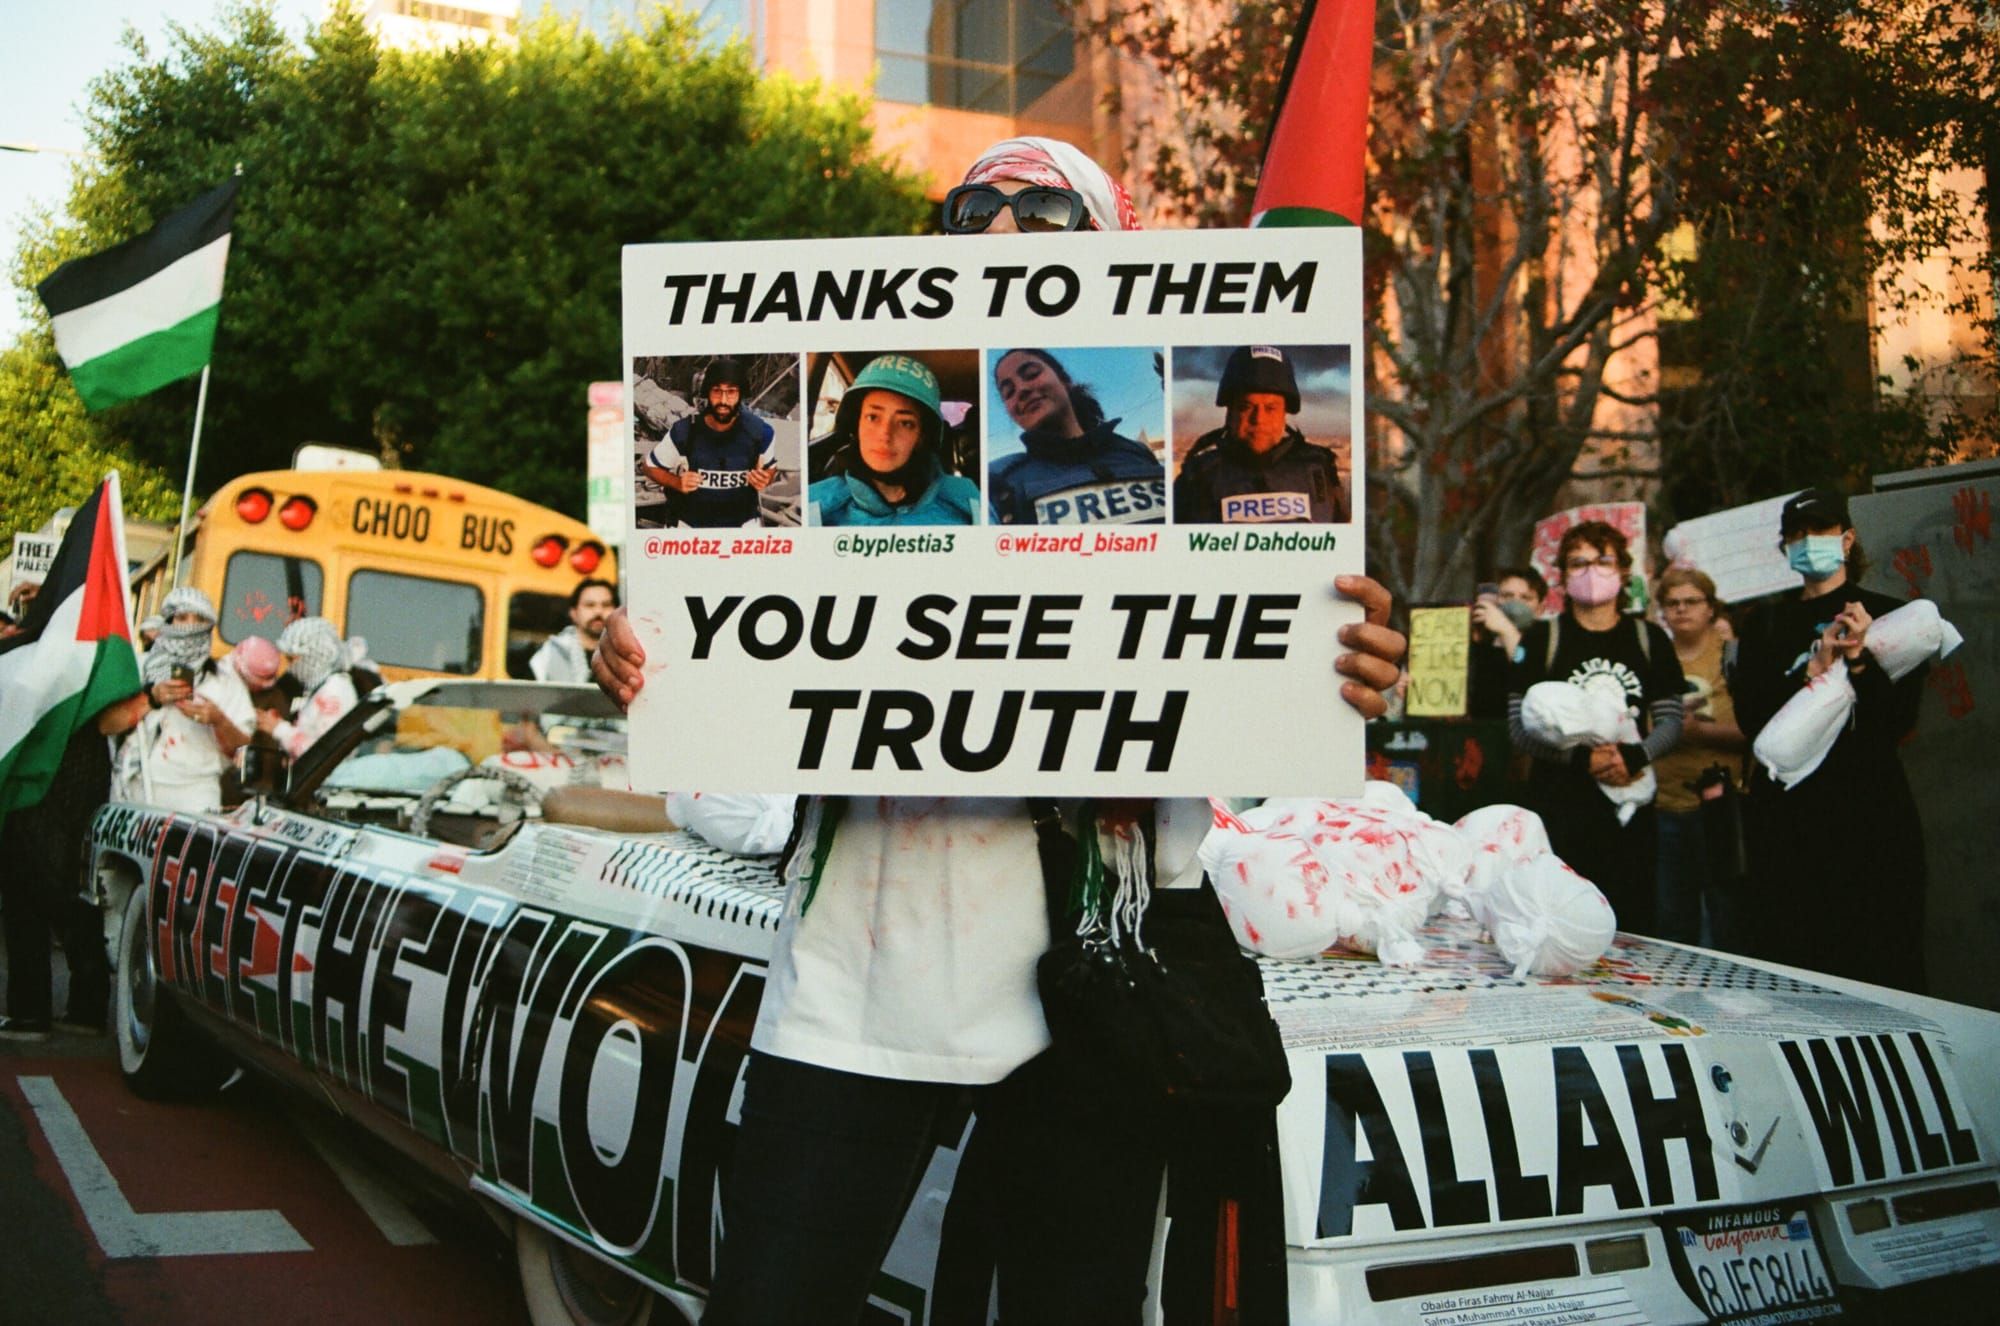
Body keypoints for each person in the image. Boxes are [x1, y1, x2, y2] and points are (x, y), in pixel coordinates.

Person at [597, 134, 1408, 1326]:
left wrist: (1334, 671)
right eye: (976, 213)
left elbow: (1232, 740)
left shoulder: (1169, 479)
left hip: (1089, 1002)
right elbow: (737, 774)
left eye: (1048, 214)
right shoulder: (832, 495)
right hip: (856, 997)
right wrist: (668, 670)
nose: (1008, 235)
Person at [1731, 488, 1929, 991]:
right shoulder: (1763, 627)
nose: (1807, 543)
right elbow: (1752, 721)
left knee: (1881, 960)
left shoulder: (1887, 614)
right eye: (1796, 535)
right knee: (1797, 964)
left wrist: (1861, 660)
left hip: (1871, 816)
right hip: (1790, 822)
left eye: (1818, 532)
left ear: (1846, 540)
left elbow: (1898, 720)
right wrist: (1812, 677)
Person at [1507, 521, 1684, 932]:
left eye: (1603, 560)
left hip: (1629, 815)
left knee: (1631, 931)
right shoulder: (1540, 639)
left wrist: (1634, 755)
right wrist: (1581, 758)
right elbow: (1517, 730)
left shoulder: (1650, 639)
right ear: (1563, 577)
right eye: (1578, 563)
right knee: (1558, 928)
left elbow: (1672, 722)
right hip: (1559, 814)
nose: (1591, 571)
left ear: (1623, 570)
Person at [1648, 567, 1745, 948]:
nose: (1682, 610)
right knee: (1672, 924)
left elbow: (1758, 732)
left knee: (1729, 922)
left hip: (1723, 806)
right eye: (1672, 604)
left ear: (1710, 608)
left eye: (1691, 601)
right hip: (1663, 804)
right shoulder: (1654, 657)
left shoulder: (1732, 657)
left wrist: (1698, 732)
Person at [987, 348, 1166, 526]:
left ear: (1065, 381)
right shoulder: (1001, 480)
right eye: (1009, 392)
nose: (1022, 389)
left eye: (1032, 374)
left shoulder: (1135, 452)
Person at [1174, 345, 1349, 525]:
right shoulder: (1196, 478)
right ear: (1230, 413)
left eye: (1271, 408)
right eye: (1246, 407)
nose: (1258, 419)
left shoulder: (1319, 472)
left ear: (1284, 413)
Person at [120, 587, 256, 813]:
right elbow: (108, 725)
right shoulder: (138, 668)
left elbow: (243, 746)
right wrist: (152, 698)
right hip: (136, 787)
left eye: (199, 619)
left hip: (196, 795)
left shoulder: (225, 680)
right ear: (169, 623)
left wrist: (218, 719)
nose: (190, 626)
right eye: (182, 618)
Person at [809, 355, 979, 526]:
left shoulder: (971, 505)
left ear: (921, 436)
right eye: (873, 417)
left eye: (905, 423)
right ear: (856, 424)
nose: (885, 434)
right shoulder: (813, 506)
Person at [641, 357, 779, 528]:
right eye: (716, 391)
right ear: (707, 393)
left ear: (740, 394)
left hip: (741, 525)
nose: (723, 400)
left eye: (731, 392)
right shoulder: (685, 431)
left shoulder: (760, 432)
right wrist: (677, 482)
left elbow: (771, 468)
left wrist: (765, 478)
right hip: (692, 524)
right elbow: (648, 467)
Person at [259, 616, 359, 759]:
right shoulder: (322, 688)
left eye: (292, 659)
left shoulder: (334, 693)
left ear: (315, 657)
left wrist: (280, 730)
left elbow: (326, 754)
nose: (289, 667)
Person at [530, 578, 618, 682]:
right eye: (590, 605)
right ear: (574, 613)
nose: (598, 611)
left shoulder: (626, 653)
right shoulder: (548, 654)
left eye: (606, 605)